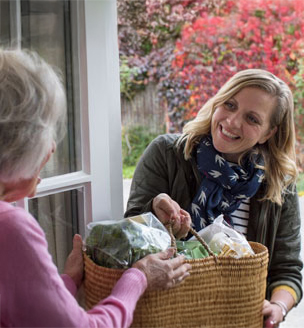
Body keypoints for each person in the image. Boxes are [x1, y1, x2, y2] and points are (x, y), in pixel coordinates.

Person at [0, 49, 192, 328]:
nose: (52, 147)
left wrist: (66, 282)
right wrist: (139, 276)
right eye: (48, 131)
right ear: (18, 142)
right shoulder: (10, 227)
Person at [125, 68, 303, 327]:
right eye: (230, 104)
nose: (232, 121)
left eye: (252, 118)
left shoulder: (279, 184)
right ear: (218, 101)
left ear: (268, 133)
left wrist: (278, 306)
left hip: (240, 319)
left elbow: (287, 271)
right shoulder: (167, 154)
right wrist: (154, 213)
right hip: (168, 316)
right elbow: (128, 238)